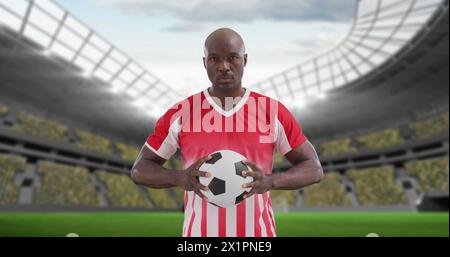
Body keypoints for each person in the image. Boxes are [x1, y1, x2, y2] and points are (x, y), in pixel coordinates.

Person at [131, 28, 323, 237]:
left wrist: (270, 181)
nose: (224, 66)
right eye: (214, 59)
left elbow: (313, 168)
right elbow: (140, 169)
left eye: (232, 58)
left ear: (245, 60)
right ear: (205, 62)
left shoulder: (272, 111)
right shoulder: (182, 112)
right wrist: (178, 177)